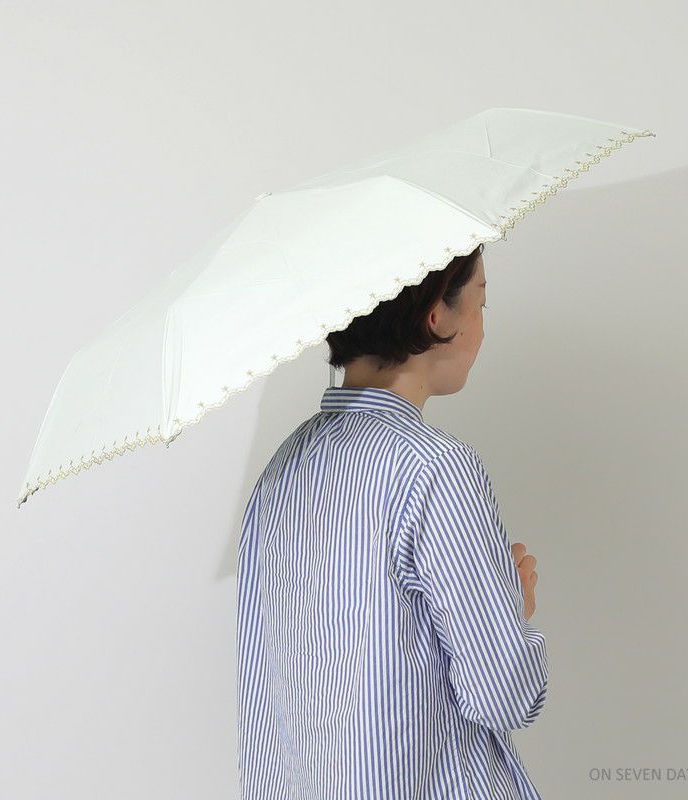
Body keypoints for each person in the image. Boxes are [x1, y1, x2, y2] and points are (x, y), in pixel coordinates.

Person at [236, 243, 548, 799]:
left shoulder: (280, 472)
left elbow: (268, 704)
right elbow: (506, 696)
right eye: (481, 303)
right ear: (437, 315)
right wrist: (507, 611)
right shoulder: (435, 469)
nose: (483, 328)